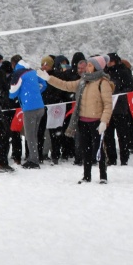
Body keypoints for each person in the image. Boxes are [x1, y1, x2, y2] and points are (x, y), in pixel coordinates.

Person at [43, 54, 115, 183]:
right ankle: (87, 175)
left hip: (97, 121)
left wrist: (104, 120)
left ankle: (103, 175)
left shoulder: (103, 83)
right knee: (85, 149)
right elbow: (66, 85)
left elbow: (108, 104)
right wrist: (49, 79)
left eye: (90, 65)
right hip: (83, 121)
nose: (86, 67)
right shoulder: (83, 81)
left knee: (99, 150)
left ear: (96, 67)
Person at [10, 60, 49, 168]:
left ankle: (33, 160)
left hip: (29, 108)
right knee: (34, 134)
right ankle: (35, 157)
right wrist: (35, 93)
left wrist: (16, 96)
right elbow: (43, 84)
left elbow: (13, 92)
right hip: (40, 107)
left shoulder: (19, 74)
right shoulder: (33, 72)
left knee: (30, 135)